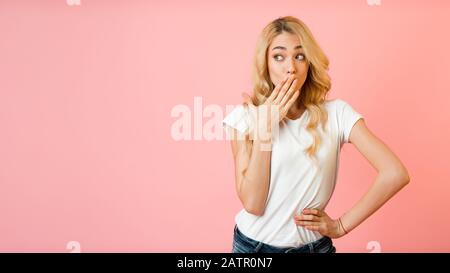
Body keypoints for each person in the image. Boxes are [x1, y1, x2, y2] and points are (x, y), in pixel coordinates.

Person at [222, 16, 410, 253]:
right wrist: (265, 129)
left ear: (309, 62)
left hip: (314, 248)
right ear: (265, 64)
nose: (290, 67)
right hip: (252, 249)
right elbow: (253, 204)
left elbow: (395, 173)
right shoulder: (245, 117)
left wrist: (341, 226)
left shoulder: (337, 114)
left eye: (299, 56)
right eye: (278, 56)